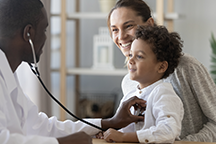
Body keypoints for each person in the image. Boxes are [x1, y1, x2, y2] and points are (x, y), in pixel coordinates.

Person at [0, 0, 146, 144]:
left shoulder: (9, 75)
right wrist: (62, 142)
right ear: (28, 34)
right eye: (44, 30)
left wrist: (109, 122)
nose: (46, 38)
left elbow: (42, 127)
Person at [106, 0, 216, 142]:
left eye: (128, 26)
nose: (120, 37)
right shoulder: (129, 82)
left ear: (150, 23)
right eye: (114, 29)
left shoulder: (186, 67)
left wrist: (185, 143)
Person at [104, 25, 184, 143]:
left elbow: (168, 131)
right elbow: (124, 129)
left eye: (139, 56)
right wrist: (110, 133)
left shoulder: (164, 94)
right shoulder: (130, 95)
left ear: (161, 66)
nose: (130, 60)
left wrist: (123, 137)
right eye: (131, 55)